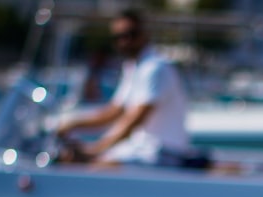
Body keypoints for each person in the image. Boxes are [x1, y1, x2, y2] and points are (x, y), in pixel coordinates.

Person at [57, 9, 189, 166]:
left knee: (95, 166)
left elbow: (136, 119)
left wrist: (95, 149)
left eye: (131, 35)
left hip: (163, 152)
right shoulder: (134, 67)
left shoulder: (155, 68)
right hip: (142, 150)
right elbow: (114, 111)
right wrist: (72, 124)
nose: (125, 41)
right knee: (71, 159)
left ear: (144, 34)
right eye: (119, 37)